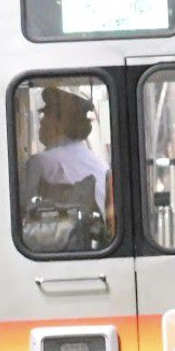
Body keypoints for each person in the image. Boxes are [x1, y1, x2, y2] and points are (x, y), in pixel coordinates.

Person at [21, 87, 112, 249]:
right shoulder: (101, 166)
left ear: (59, 122)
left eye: (46, 115)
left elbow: (23, 213)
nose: (41, 121)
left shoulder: (39, 163)